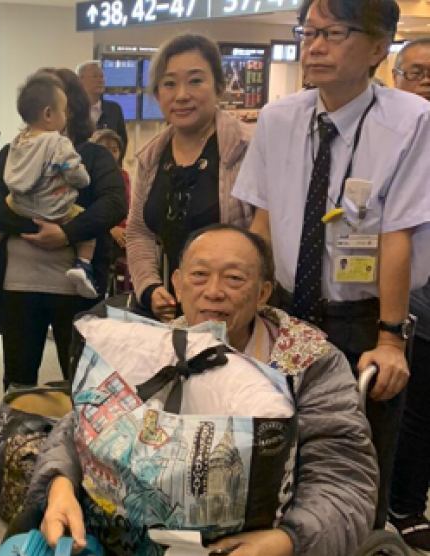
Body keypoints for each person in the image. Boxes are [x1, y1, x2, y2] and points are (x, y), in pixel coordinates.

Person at [24, 224, 377, 556]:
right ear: (177, 284)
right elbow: (80, 425)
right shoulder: (150, 346)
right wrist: (59, 484)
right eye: (199, 275)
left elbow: (343, 477)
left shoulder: (308, 361)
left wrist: (288, 540)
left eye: (234, 278)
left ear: (263, 293)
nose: (213, 292)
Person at [232, 0, 430, 530]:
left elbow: (397, 234)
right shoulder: (277, 118)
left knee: (355, 473)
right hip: (284, 316)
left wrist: (390, 339)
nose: (314, 46)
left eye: (334, 32)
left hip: (362, 322)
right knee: (274, 462)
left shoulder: (412, 122)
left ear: (377, 47)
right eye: (309, 31)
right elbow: (263, 224)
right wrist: (242, 307)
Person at [0, 67, 127, 389]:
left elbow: (114, 203)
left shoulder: (93, 155)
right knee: (18, 383)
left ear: (69, 107)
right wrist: (34, 227)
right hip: (19, 287)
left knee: (81, 383)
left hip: (75, 291)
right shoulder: (13, 152)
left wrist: (65, 234)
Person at [127, 34, 254, 321]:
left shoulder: (249, 148)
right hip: (171, 311)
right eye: (169, 83)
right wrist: (149, 287)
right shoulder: (151, 157)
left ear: (219, 87)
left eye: (195, 81)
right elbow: (138, 232)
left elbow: (264, 236)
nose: (181, 95)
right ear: (158, 93)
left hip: (231, 313)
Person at [0, 73, 98, 299]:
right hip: (51, 209)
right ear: (48, 114)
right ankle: (82, 265)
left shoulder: (18, 142)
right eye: (63, 110)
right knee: (85, 224)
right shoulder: (58, 142)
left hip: (20, 204)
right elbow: (74, 172)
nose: (66, 117)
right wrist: (82, 179)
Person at [388, 37, 430, 552]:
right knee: (413, 414)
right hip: (407, 301)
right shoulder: (388, 139)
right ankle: (402, 506)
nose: (426, 84)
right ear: (395, 77)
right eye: (416, 73)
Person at [90, 129, 131, 294]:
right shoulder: (86, 176)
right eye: (104, 149)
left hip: (122, 229)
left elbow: (126, 205)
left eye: (114, 150)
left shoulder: (124, 176)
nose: (111, 154)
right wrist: (110, 228)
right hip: (100, 230)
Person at [76, 61, 128, 150]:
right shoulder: (73, 110)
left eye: (102, 77)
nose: (100, 80)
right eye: (95, 76)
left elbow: (122, 142)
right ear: (80, 80)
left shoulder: (114, 109)